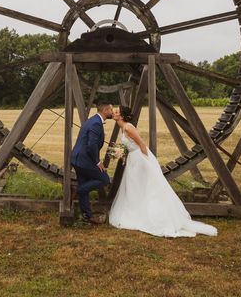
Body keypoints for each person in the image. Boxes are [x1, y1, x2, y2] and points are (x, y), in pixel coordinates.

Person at [109, 106, 217, 237]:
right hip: (133, 159)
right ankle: (135, 211)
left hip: (140, 158)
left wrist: (147, 162)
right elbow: (130, 145)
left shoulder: (128, 127)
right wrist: (123, 154)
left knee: (144, 185)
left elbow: (142, 144)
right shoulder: (122, 128)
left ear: (121, 116)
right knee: (134, 186)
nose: (113, 114)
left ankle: (151, 216)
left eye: (115, 112)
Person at [70, 101, 113, 224]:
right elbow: (91, 145)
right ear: (105, 111)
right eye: (110, 110)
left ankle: (87, 216)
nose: (112, 112)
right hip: (83, 160)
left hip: (78, 159)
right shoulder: (96, 124)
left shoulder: (93, 120)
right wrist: (98, 162)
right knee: (104, 179)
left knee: (84, 182)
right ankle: (78, 190)